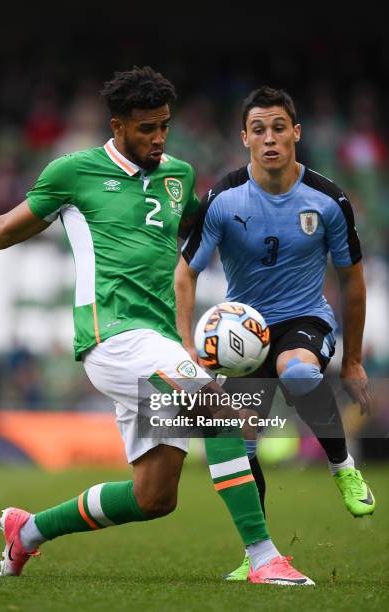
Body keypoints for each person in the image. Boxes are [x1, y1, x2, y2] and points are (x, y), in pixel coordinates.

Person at [0, 68, 313, 585]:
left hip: (160, 342)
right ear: (118, 126)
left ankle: (28, 531)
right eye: (146, 128)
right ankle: (264, 559)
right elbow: (0, 230)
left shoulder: (179, 175)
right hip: (113, 338)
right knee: (216, 407)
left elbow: (202, 222)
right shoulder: (73, 172)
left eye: (164, 126)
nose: (158, 138)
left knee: (154, 498)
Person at [175, 85, 375, 581]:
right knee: (239, 446)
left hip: (306, 318)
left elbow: (352, 279)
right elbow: (185, 273)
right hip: (244, 333)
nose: (270, 139)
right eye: (259, 129)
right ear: (245, 137)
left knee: (300, 373)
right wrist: (185, 346)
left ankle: (341, 465)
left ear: (296, 134)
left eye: (279, 128)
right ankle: (258, 555)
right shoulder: (223, 198)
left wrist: (351, 361)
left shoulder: (328, 200)